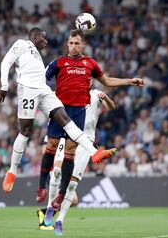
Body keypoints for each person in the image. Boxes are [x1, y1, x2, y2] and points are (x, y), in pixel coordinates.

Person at [0, 27, 118, 195]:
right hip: (28, 91)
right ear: (35, 35)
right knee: (25, 131)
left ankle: (94, 153)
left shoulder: (38, 56)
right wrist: (4, 86)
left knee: (66, 119)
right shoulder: (22, 44)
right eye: (43, 38)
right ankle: (12, 171)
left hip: (43, 90)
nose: (46, 42)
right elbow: (5, 62)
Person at [38, 29, 145, 211]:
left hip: (79, 112)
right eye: (71, 43)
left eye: (77, 43)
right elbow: (41, 79)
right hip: (59, 111)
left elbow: (107, 81)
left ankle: (62, 195)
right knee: (51, 148)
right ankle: (42, 187)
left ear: (83, 45)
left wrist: (130, 81)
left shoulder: (90, 63)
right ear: (67, 44)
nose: (73, 47)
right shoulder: (58, 63)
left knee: (69, 154)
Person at [41, 89, 115, 235]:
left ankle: (60, 221)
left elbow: (111, 106)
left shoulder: (95, 94)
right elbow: (56, 115)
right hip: (68, 136)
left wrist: (106, 98)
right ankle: (50, 208)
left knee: (72, 184)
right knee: (56, 171)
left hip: (86, 142)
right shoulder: (69, 92)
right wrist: (46, 140)